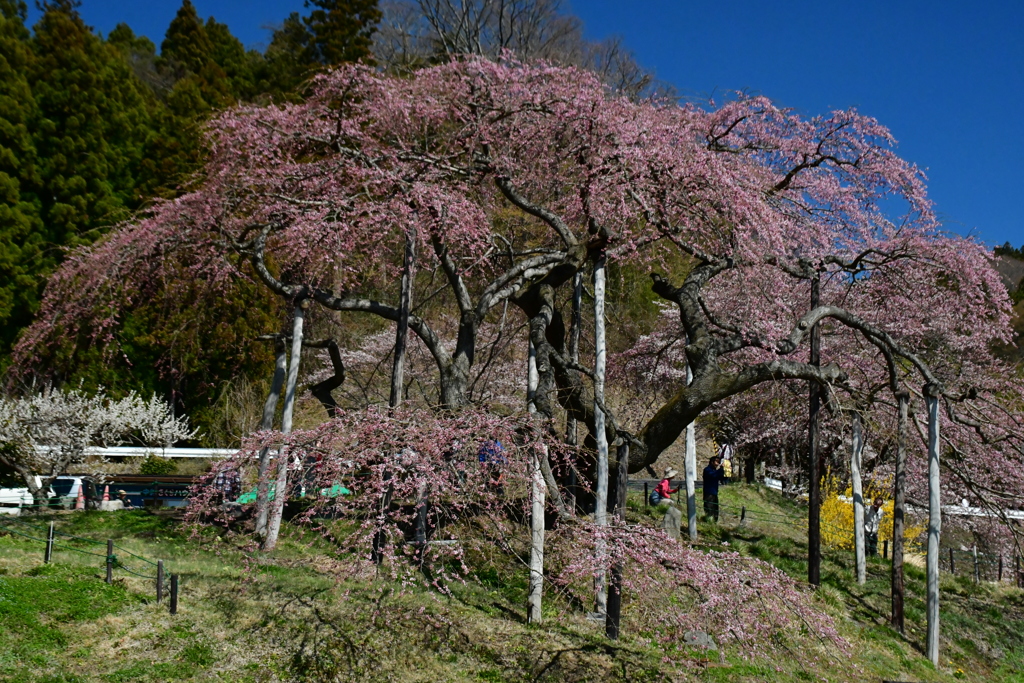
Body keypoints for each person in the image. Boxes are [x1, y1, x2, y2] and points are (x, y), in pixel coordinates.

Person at [702, 456, 726, 522]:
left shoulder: (715, 471)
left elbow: (722, 479)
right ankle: (708, 521)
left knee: (715, 509)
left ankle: (714, 522)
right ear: (712, 462)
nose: (718, 463)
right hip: (708, 492)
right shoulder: (707, 470)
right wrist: (720, 469)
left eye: (719, 462)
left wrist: (726, 472)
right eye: (716, 461)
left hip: (715, 492)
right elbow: (713, 475)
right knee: (709, 508)